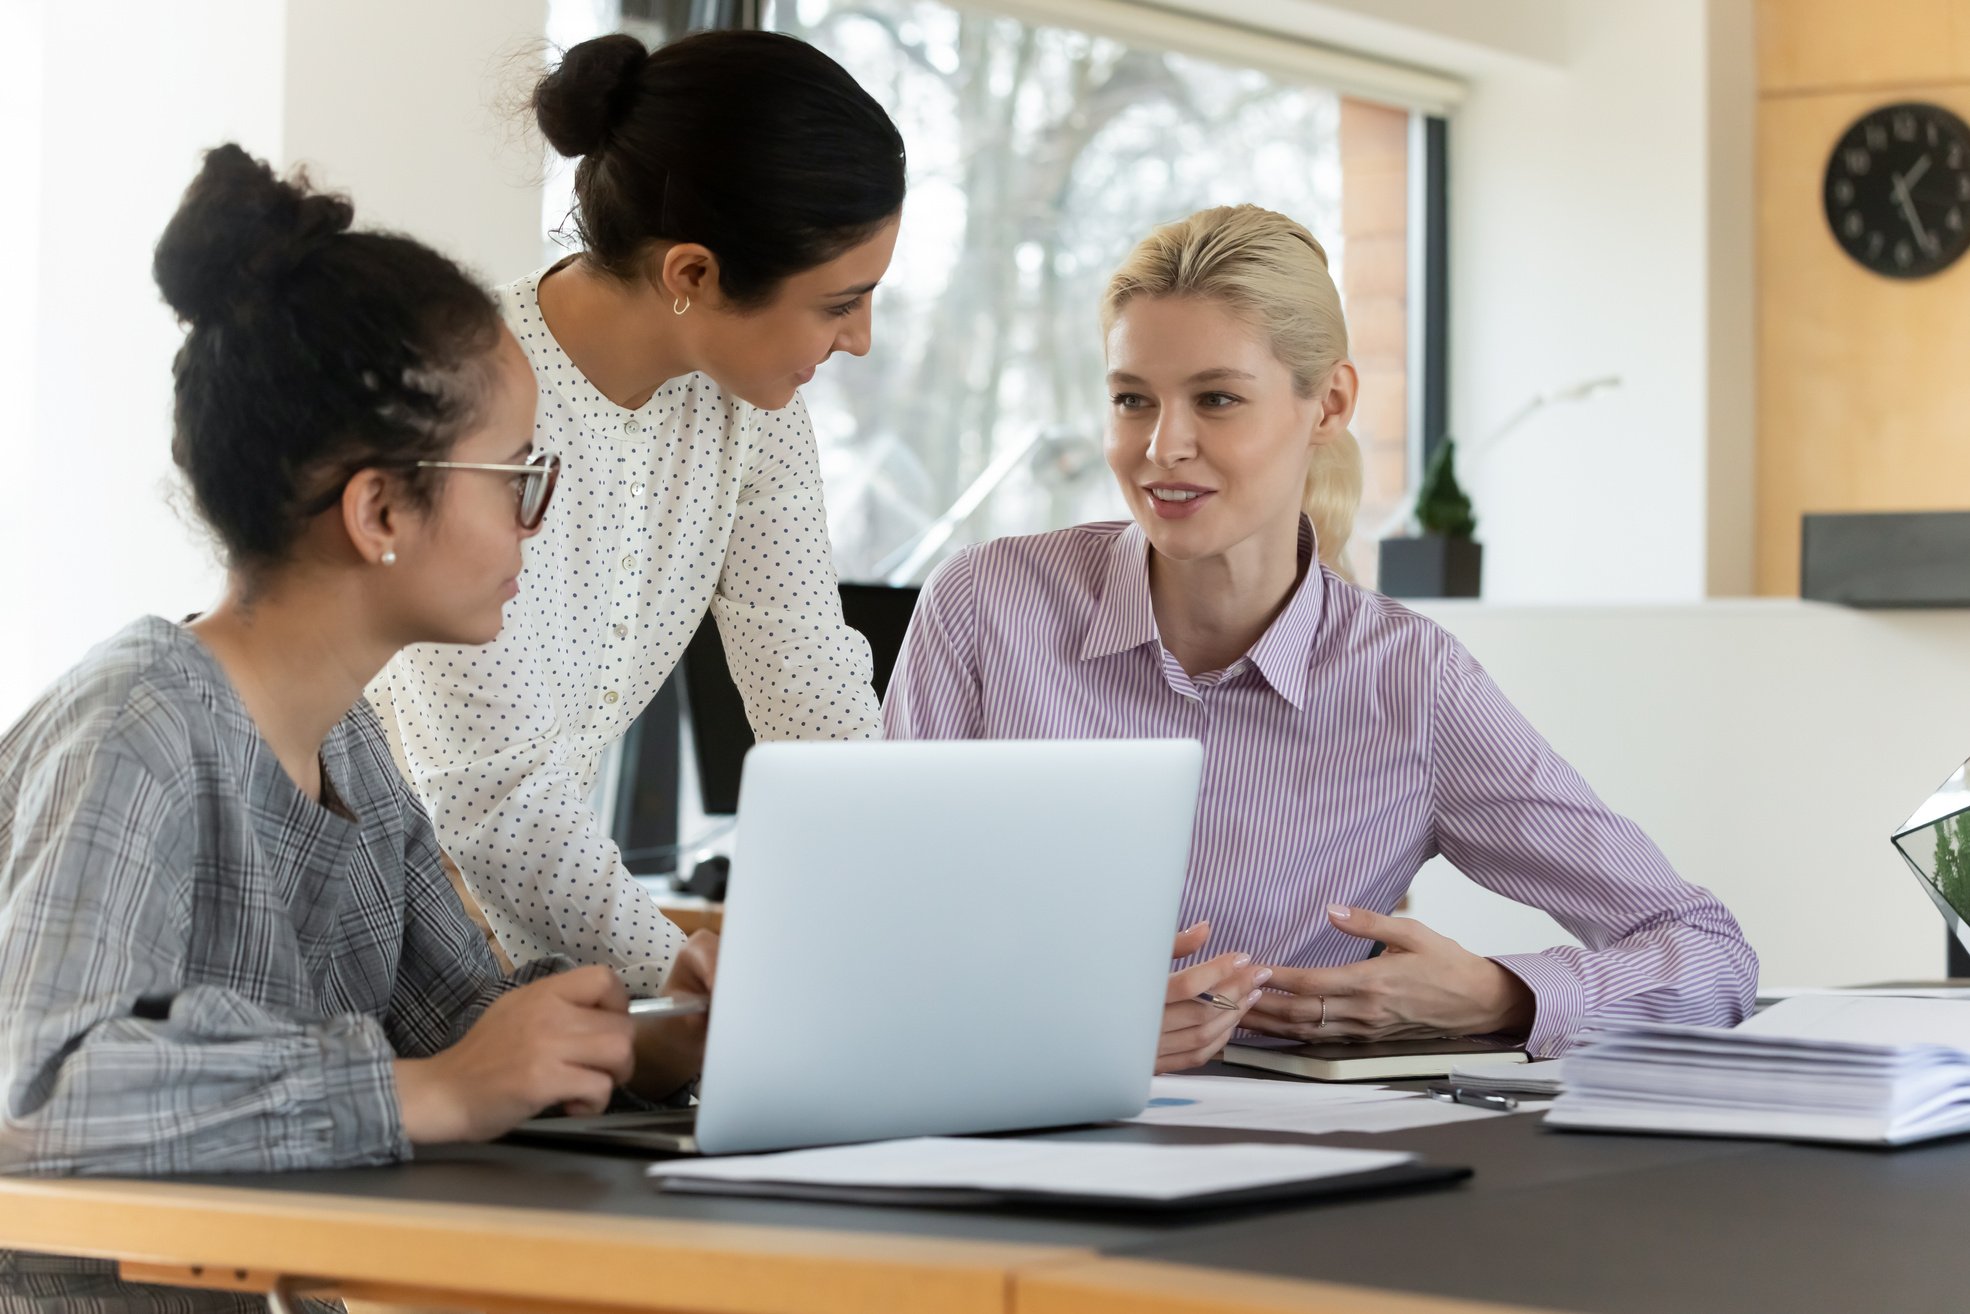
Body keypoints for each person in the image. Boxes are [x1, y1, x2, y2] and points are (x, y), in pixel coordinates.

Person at [0, 147, 713, 1312]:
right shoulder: (137, 723)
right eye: (514, 476)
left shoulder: (350, 746)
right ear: (381, 507)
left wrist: (646, 1042)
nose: (534, 520)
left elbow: (461, 1027)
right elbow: (33, 1096)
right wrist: (418, 1095)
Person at [883, 204, 1758, 1072]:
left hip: (1276, 1173)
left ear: (1328, 402)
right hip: (986, 1134)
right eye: (1131, 400)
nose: (1162, 447)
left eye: (1216, 399)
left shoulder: (1409, 684)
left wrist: (1499, 993)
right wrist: (1063, 1026)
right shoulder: (987, 607)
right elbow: (871, 928)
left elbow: (1711, 954)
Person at [374, 30, 906, 992]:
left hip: (530, 964)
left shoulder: (754, 417)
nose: (861, 339)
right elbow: (492, 798)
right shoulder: (465, 395)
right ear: (693, 275)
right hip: (357, 926)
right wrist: (686, 982)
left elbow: (814, 695)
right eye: (839, 303)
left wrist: (933, 933)